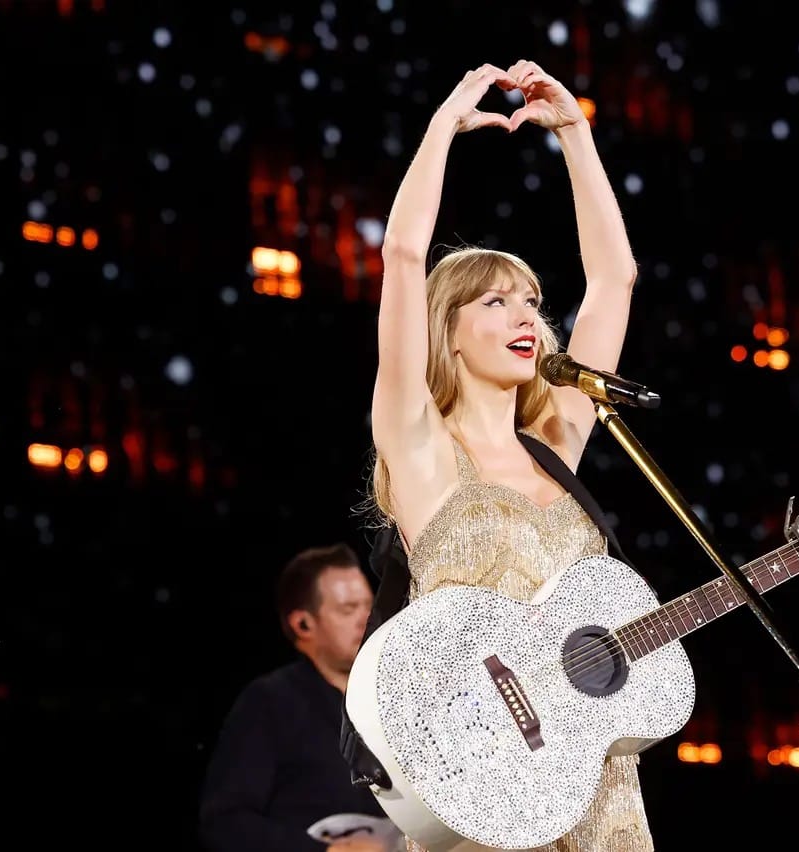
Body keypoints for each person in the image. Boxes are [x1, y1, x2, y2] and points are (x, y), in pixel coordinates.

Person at [366, 59, 654, 851]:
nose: (525, 313)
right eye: (495, 301)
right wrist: (441, 128)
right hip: (485, 783)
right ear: (447, 331)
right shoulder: (420, 444)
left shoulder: (558, 440)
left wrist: (576, 134)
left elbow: (614, 279)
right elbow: (399, 255)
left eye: (530, 299)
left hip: (597, 787)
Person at [199, 543, 400, 852]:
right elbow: (225, 822)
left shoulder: (393, 695)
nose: (366, 618)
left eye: (367, 606)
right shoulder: (269, 702)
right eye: (348, 609)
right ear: (303, 624)